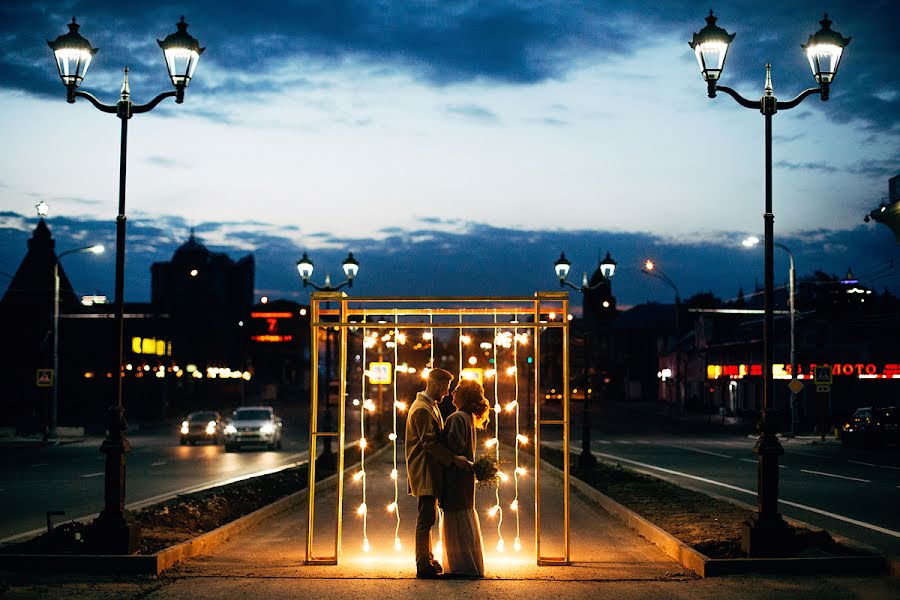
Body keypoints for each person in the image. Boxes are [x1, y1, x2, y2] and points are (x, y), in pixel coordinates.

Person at [405, 368, 471, 579]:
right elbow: (430, 443)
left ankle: (428, 559)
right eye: (444, 388)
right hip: (425, 469)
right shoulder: (423, 409)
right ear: (434, 384)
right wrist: (454, 459)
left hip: (429, 469)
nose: (446, 393)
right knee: (425, 519)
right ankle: (422, 565)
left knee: (428, 517)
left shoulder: (428, 406)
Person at [440, 378, 490, 578]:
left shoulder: (456, 418)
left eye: (458, 390)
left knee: (456, 520)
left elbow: (452, 448)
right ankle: (469, 564)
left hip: (455, 476)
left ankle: (461, 567)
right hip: (465, 478)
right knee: (464, 518)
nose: (453, 392)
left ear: (465, 395)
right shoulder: (468, 418)